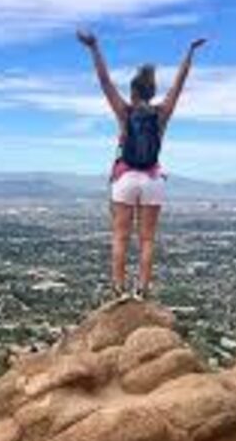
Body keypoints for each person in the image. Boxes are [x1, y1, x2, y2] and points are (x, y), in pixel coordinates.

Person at [78, 30, 207, 301]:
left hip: (125, 178)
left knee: (121, 237)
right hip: (153, 180)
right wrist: (190, 53)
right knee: (147, 239)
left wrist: (94, 48)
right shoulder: (162, 113)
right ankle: (143, 289)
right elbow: (178, 85)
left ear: (133, 92)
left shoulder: (124, 112)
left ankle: (118, 288)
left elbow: (104, 81)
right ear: (152, 92)